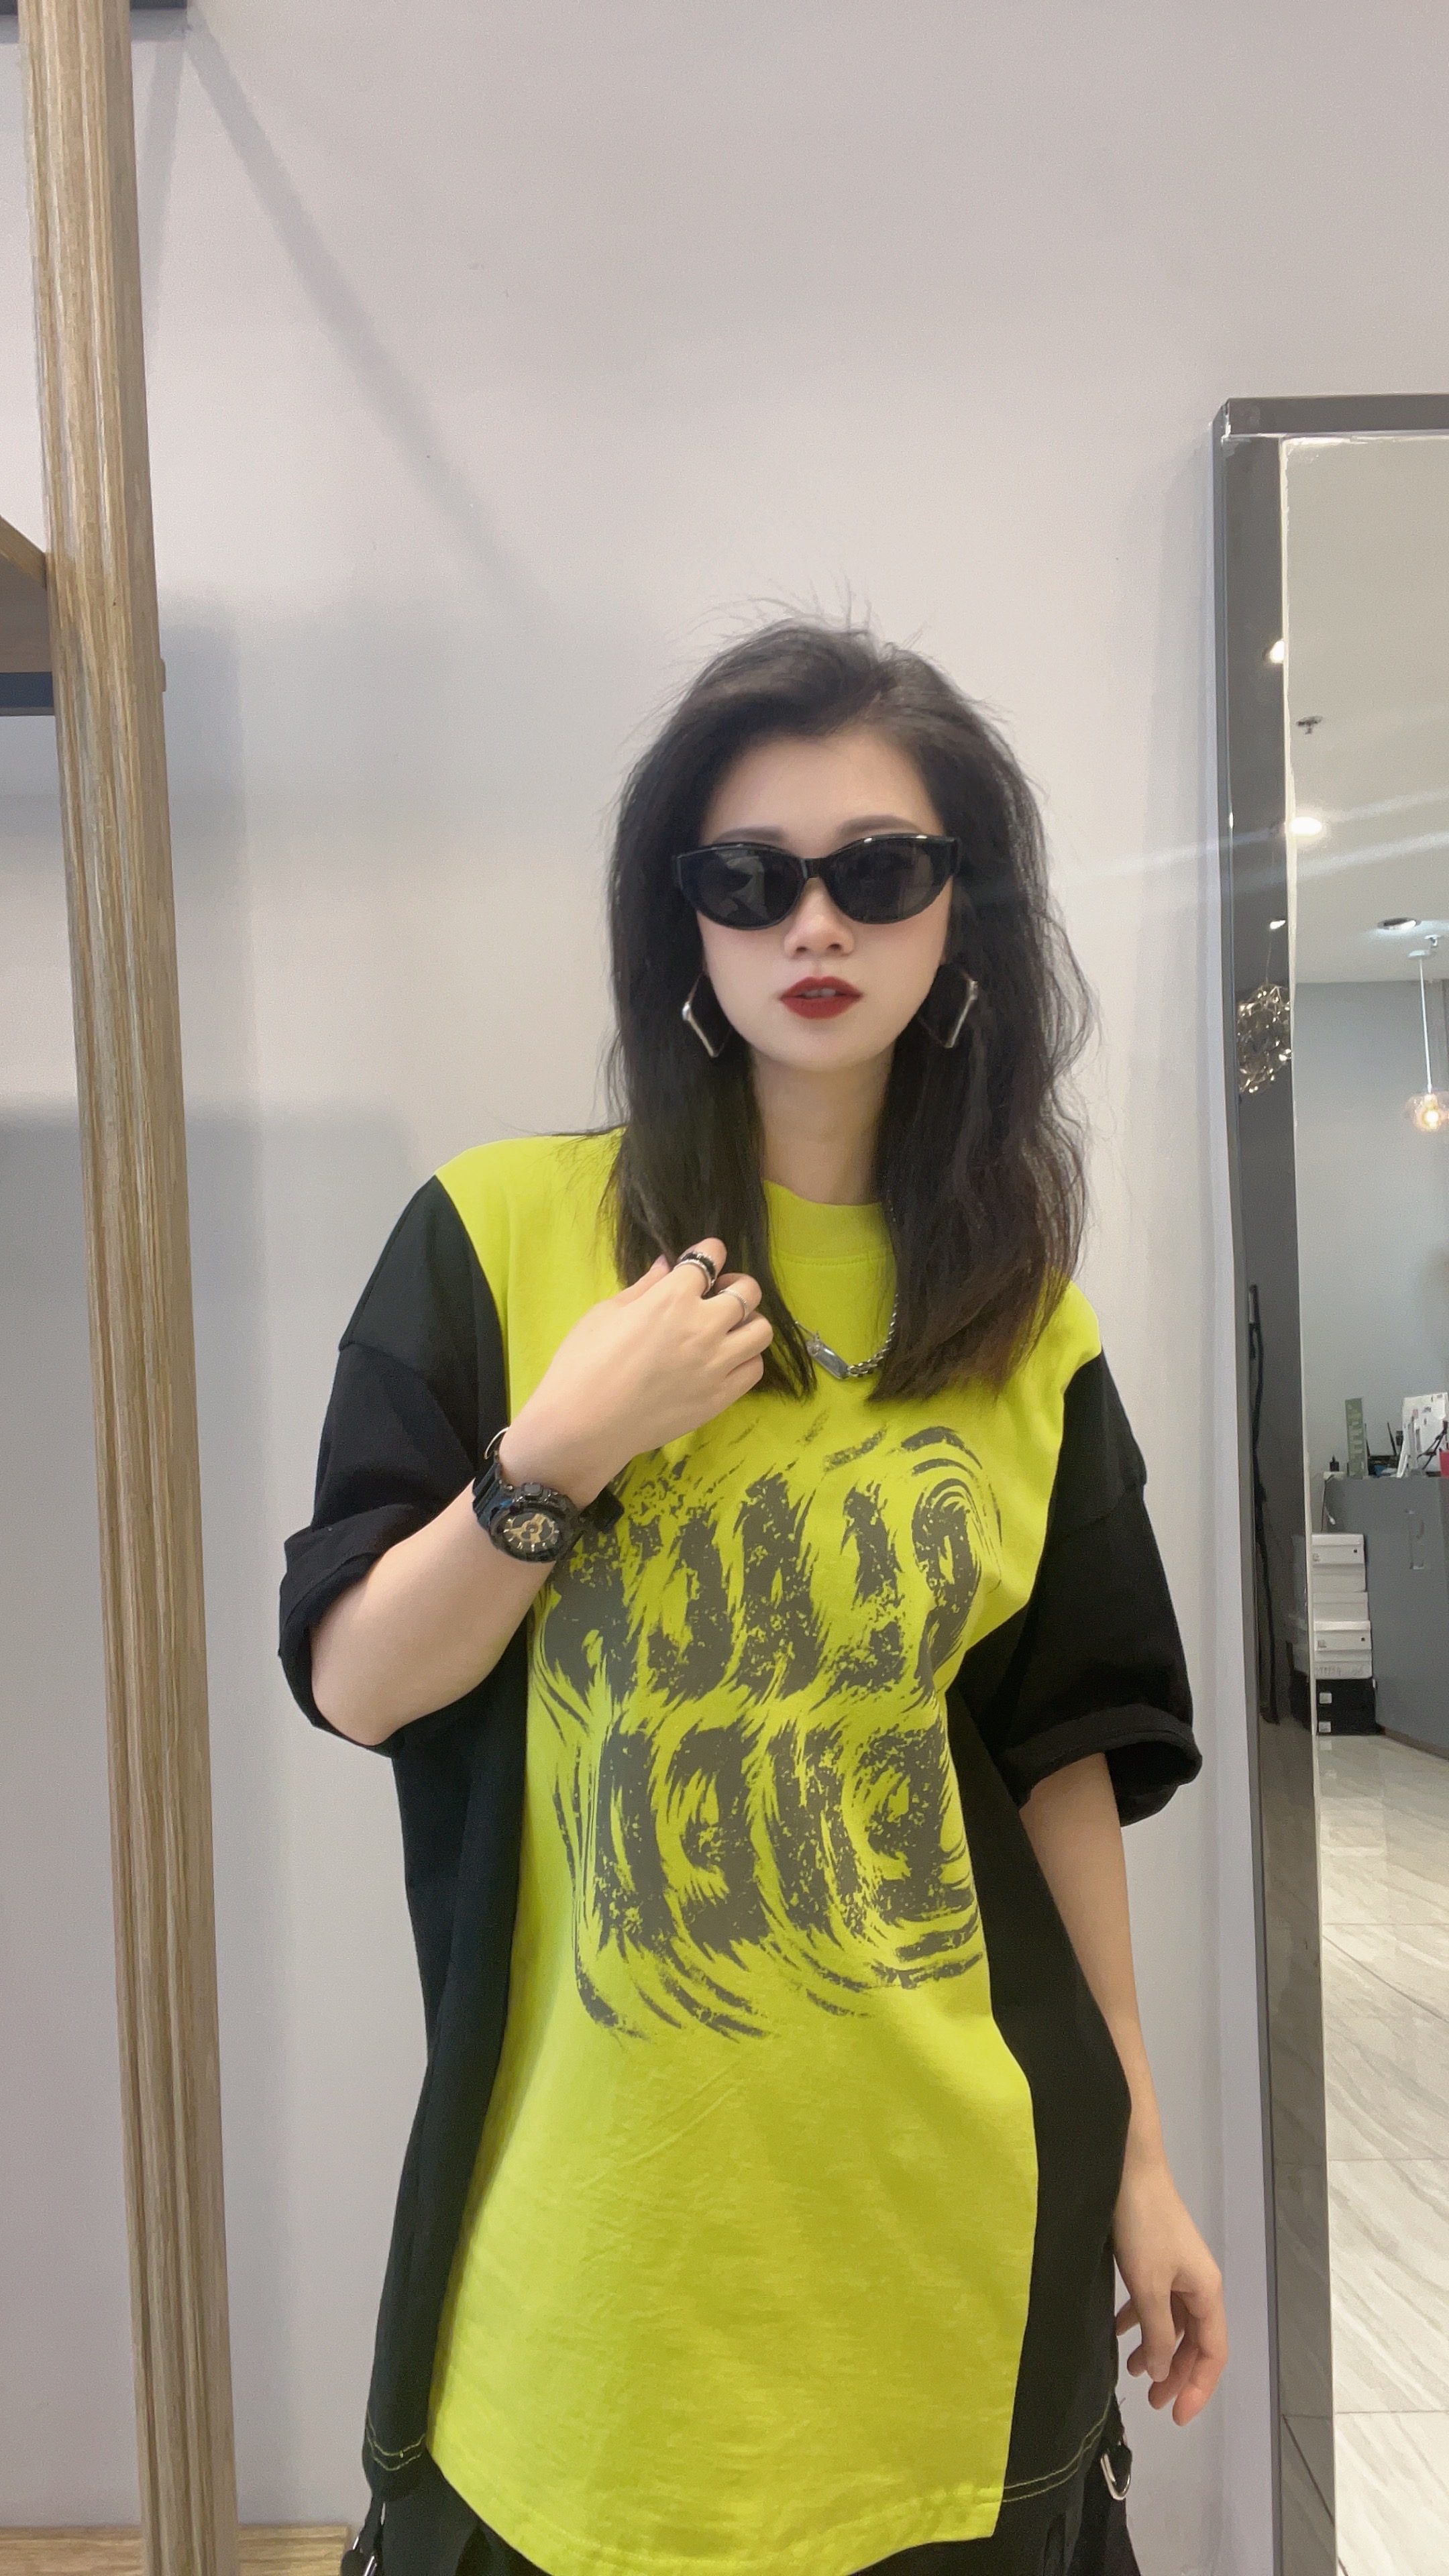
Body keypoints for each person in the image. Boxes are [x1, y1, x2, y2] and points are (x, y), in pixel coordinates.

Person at [279, 621, 1224, 2576]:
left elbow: (1061, 1765)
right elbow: (362, 1683)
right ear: (681, 918)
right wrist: (559, 1454)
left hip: (946, 2239)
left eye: (879, 869)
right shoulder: (499, 1238)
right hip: (596, 2268)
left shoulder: (1025, 1325)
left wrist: (1138, 2153)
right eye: (746, 876)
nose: (815, 921)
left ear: (963, 912)